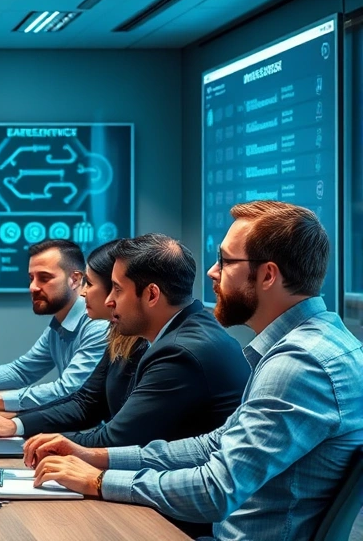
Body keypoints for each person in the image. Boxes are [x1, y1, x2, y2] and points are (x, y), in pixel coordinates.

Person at [22, 202, 363, 541]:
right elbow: (213, 444)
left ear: (268, 275)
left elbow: (216, 490)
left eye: (226, 261)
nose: (213, 272)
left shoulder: (299, 364)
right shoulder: (313, 344)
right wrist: (96, 457)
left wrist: (98, 480)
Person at [0, 235, 249, 447]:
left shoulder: (181, 352)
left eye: (116, 289)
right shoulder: (141, 335)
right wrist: (17, 427)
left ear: (151, 295)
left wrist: (39, 444)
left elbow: (120, 438)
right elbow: (87, 404)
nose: (107, 300)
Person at [0, 239, 107, 411]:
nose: (33, 287)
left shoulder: (97, 325)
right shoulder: (59, 324)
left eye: (44, 278)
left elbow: (68, 390)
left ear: (75, 280)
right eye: (31, 278)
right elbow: (23, 370)